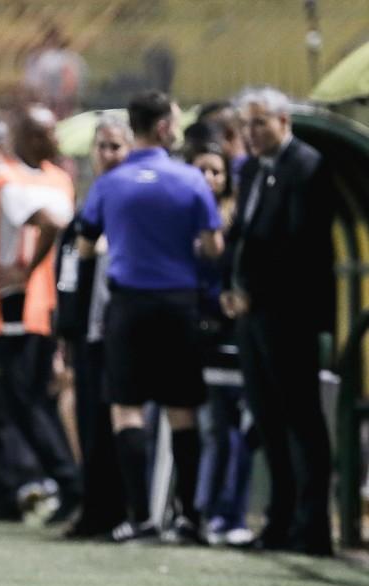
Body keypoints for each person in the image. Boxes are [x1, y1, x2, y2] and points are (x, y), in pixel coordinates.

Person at [77, 91, 224, 544]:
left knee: (127, 409)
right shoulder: (190, 179)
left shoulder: (108, 184)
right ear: (163, 127)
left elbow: (85, 247)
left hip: (127, 307)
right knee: (182, 409)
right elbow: (214, 247)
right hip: (179, 305)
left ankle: (140, 517)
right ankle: (189, 518)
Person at [221, 86, 335, 556]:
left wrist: (255, 293)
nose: (251, 134)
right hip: (249, 315)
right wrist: (231, 288)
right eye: (245, 125)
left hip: (288, 315)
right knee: (268, 419)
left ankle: (312, 530)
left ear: (283, 121)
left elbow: (300, 247)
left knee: (301, 420)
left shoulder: (307, 165)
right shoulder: (249, 170)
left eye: (259, 123)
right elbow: (242, 237)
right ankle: (279, 522)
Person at [0, 110, 80, 523]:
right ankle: (5, 497)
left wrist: (24, 271)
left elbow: (52, 223)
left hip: (16, 311)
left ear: (1, 143)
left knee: (25, 405)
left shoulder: (10, 184)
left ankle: (69, 484)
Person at [58, 114, 132, 539]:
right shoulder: (90, 201)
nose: (107, 155)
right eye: (102, 147)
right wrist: (64, 328)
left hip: (114, 330)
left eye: (116, 146)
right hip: (83, 329)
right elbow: (70, 269)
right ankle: (95, 508)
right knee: (88, 420)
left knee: (111, 422)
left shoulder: (128, 202)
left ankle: (119, 510)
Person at [186, 141, 255, 547]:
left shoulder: (234, 221)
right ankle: (205, 511)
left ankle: (232, 512)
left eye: (217, 171)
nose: (210, 179)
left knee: (241, 429)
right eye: (202, 170)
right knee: (212, 428)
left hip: (233, 333)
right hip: (197, 333)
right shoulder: (182, 216)